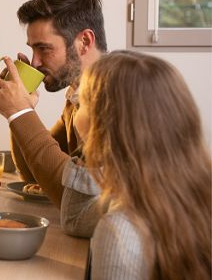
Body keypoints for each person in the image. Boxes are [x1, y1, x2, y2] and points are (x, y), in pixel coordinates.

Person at [62, 50, 211, 279]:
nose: (75, 110)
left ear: (102, 125)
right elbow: (75, 221)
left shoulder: (119, 232)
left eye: (80, 103)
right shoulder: (183, 195)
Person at [0, 0, 107, 209]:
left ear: (84, 41)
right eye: (33, 50)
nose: (34, 62)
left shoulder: (119, 97)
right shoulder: (77, 95)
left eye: (44, 48)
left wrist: (20, 113)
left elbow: (75, 198)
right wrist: (22, 112)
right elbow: (37, 178)